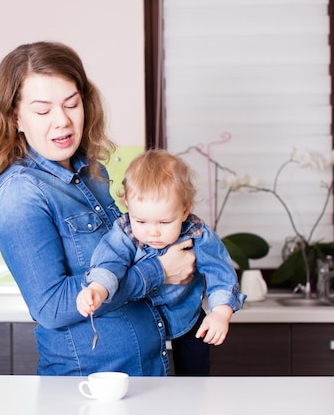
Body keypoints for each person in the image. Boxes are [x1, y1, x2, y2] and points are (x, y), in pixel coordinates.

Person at [0, 41, 196, 376]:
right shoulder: (20, 192)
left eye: (71, 105)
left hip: (142, 373)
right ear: (15, 117)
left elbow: (122, 255)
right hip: (89, 384)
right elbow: (51, 306)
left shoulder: (89, 174)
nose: (62, 121)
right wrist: (159, 272)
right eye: (43, 111)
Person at [76, 149, 246, 375]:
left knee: (195, 368)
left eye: (165, 222)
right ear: (127, 203)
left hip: (186, 315)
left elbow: (220, 273)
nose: (153, 232)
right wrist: (97, 289)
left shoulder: (197, 234)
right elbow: (110, 262)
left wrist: (221, 313)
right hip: (142, 320)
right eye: (142, 221)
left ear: (185, 210)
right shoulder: (124, 232)